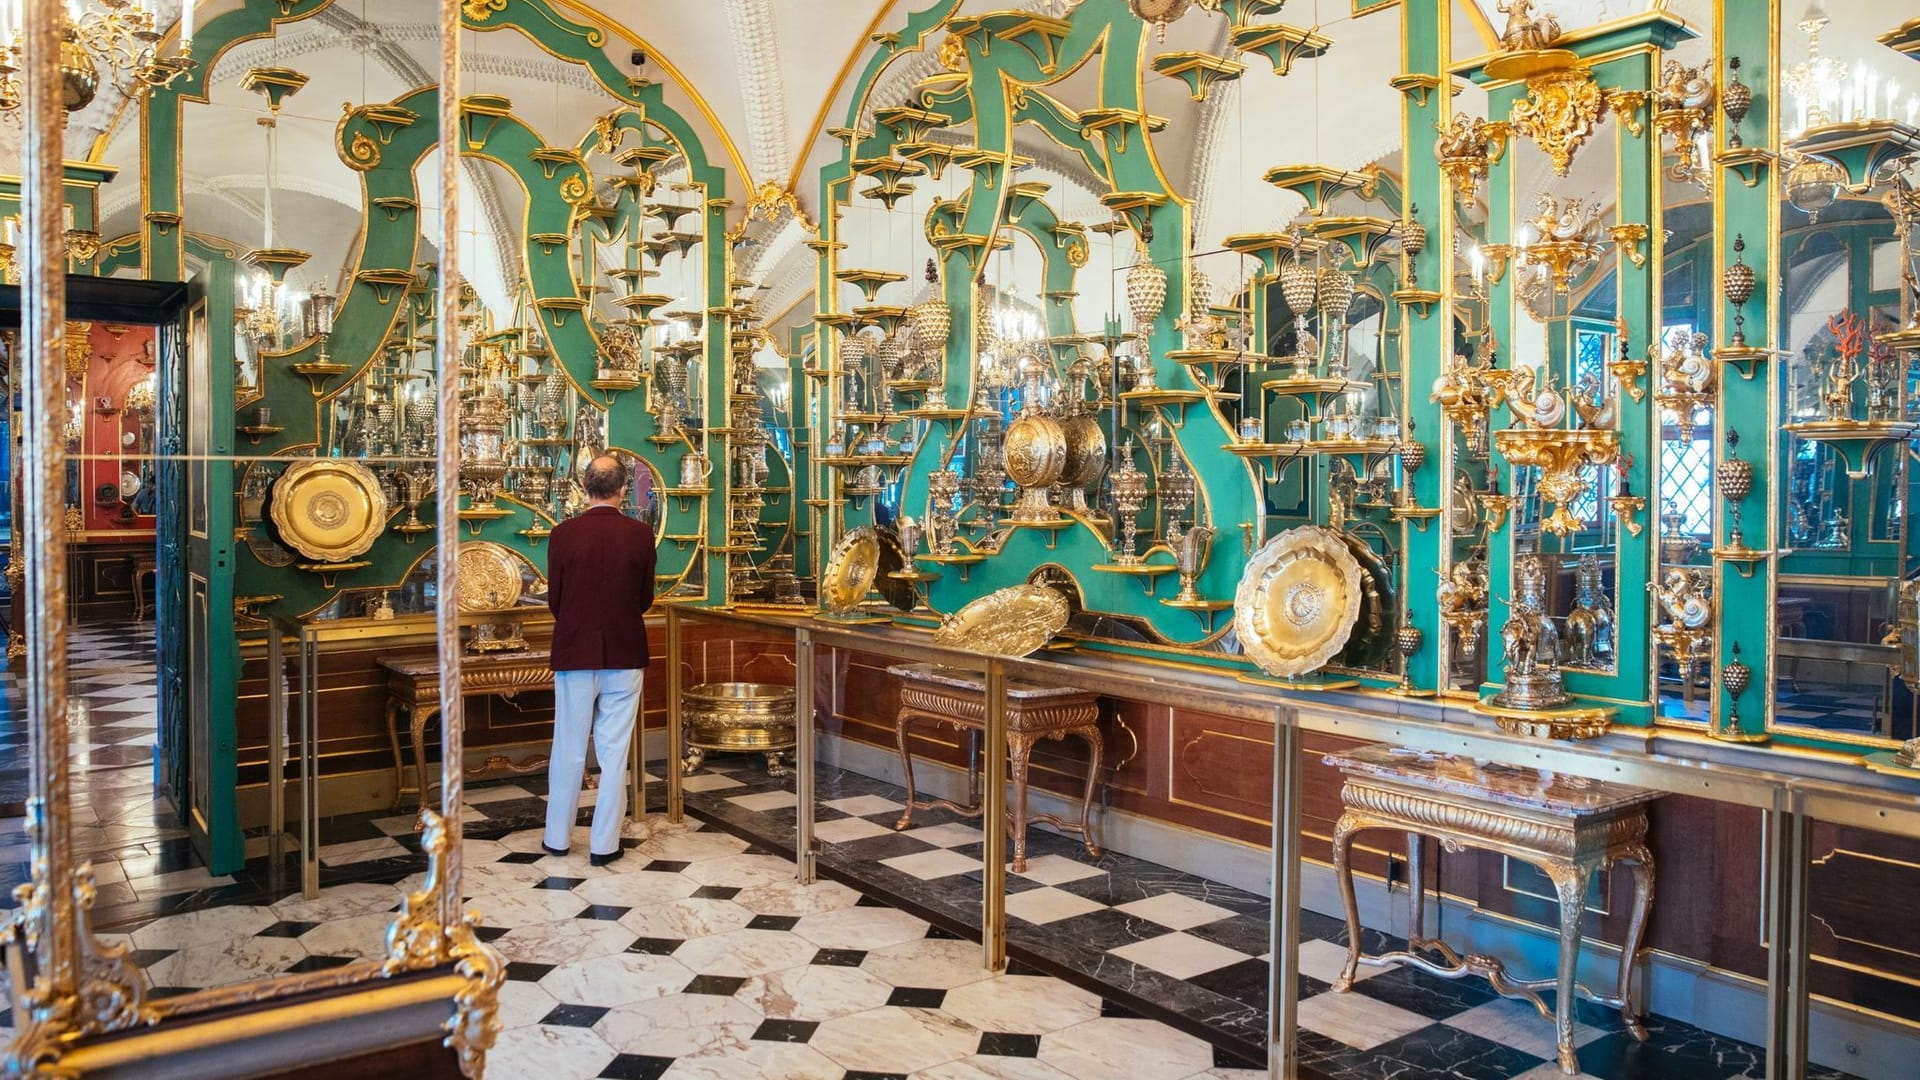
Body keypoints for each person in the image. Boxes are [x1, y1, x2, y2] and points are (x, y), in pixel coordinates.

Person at [543, 454, 657, 865]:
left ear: (585, 488)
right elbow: (645, 598)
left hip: (574, 648)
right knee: (614, 751)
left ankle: (557, 837)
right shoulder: (641, 535)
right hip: (625, 650)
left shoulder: (562, 534)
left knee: (569, 745)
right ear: (623, 489)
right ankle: (604, 844)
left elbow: (555, 599)